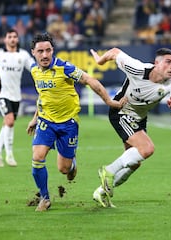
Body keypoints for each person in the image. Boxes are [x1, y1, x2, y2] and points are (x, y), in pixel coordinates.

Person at [26, 33, 126, 212]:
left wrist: (110, 102)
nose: (45, 55)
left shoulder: (65, 68)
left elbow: (90, 80)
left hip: (68, 123)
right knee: (37, 157)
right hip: (46, 121)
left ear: (53, 50)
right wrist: (35, 118)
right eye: (40, 51)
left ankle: (72, 164)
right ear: (33, 52)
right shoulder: (34, 71)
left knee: (65, 170)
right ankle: (45, 197)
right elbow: (43, 97)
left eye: (48, 50)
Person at [90, 47, 171, 208]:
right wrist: (100, 61)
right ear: (157, 63)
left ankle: (101, 192)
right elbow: (114, 52)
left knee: (134, 161)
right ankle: (108, 171)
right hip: (121, 111)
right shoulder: (137, 68)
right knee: (147, 149)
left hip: (139, 119)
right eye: (168, 62)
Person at [0, 29, 35, 167]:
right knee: (10, 121)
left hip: (16, 95)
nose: (12, 39)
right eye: (9, 36)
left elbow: (34, 68)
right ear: (5, 39)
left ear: (17, 39)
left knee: (6, 124)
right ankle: (9, 154)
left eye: (15, 36)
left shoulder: (23, 55)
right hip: (3, 94)